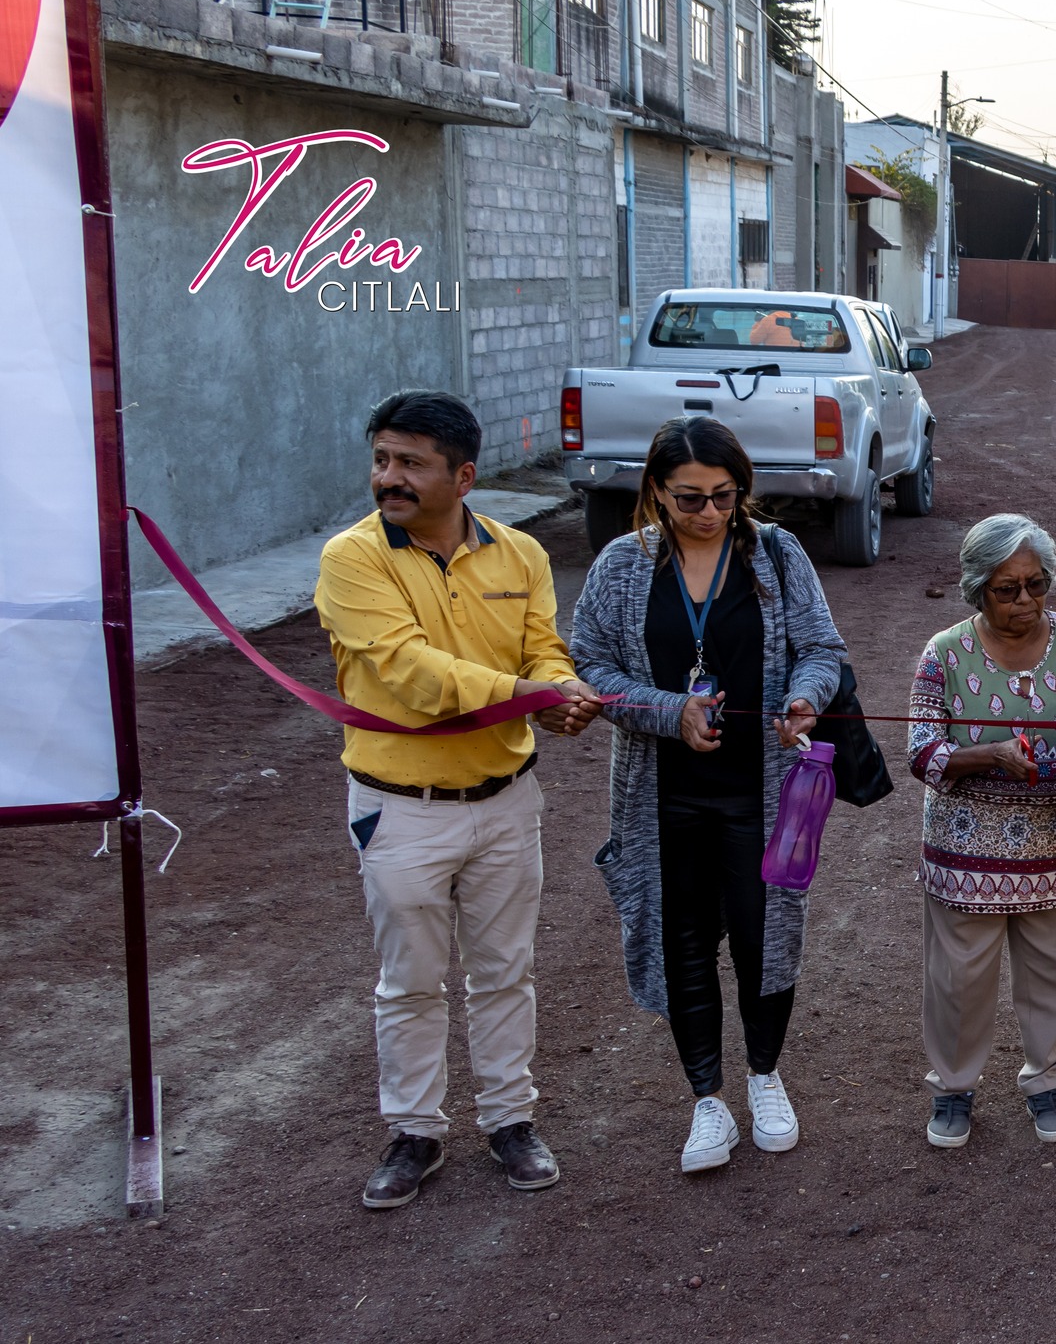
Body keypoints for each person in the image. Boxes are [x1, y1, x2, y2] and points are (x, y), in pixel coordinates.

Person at [315, 389, 605, 1210]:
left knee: (505, 971)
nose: (388, 477)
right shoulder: (352, 559)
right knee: (408, 980)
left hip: (507, 799)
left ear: (464, 474)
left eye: (410, 462)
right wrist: (530, 693)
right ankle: (415, 1131)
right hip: (398, 805)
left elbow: (543, 647)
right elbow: (407, 669)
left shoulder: (519, 555)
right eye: (382, 459)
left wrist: (563, 687)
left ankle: (511, 1120)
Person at [570, 417, 849, 1173]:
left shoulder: (777, 554)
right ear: (656, 492)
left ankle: (764, 1077)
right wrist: (669, 710)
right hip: (662, 799)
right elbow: (588, 664)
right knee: (680, 939)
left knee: (766, 939)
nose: (710, 513)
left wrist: (804, 697)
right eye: (689, 499)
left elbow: (822, 648)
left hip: (763, 796)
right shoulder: (622, 567)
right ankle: (706, 1098)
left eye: (725, 496)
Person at [906, 515, 1056, 1149]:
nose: (1026, 600)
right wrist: (990, 756)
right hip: (967, 847)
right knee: (960, 975)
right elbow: (921, 751)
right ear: (976, 588)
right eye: (1007, 589)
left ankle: (1048, 1080)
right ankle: (952, 1088)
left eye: (1036, 584)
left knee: (1053, 968)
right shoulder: (945, 652)